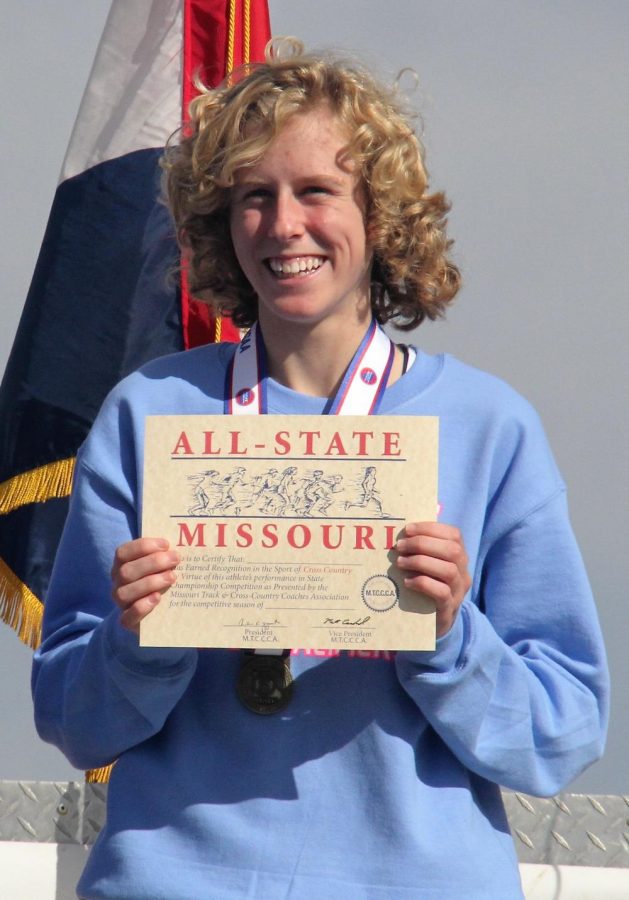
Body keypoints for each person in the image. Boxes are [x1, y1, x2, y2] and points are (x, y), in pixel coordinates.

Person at [32, 39, 608, 899]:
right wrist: (133, 641)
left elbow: (559, 737)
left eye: (317, 191)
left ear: (380, 214)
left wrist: (451, 634)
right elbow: (73, 722)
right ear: (219, 226)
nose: (284, 224)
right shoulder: (149, 414)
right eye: (253, 198)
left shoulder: (488, 426)